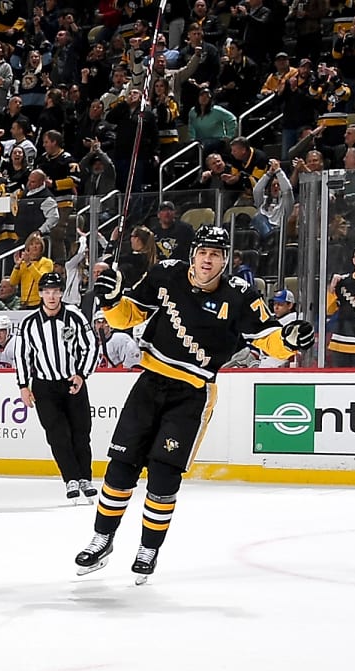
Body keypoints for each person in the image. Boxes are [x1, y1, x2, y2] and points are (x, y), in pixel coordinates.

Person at [79, 227, 312, 582]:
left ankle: (149, 549)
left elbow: (268, 338)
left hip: (192, 392)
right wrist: (110, 302)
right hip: (150, 382)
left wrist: (289, 339)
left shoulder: (240, 296)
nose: (208, 259)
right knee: (121, 467)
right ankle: (102, 539)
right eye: (203, 251)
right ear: (193, 254)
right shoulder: (166, 274)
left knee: (163, 473)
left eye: (216, 254)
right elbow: (130, 315)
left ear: (225, 260)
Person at [15, 271, 99, 503]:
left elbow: (91, 346)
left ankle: (85, 478)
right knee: (58, 434)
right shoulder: (29, 323)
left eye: (56, 291)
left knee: (81, 433)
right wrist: (23, 385)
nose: (51, 296)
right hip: (44, 386)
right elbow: (22, 356)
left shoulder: (75, 316)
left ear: (61, 293)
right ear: (40, 294)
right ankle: (71, 479)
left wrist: (82, 375)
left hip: (72, 382)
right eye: (47, 291)